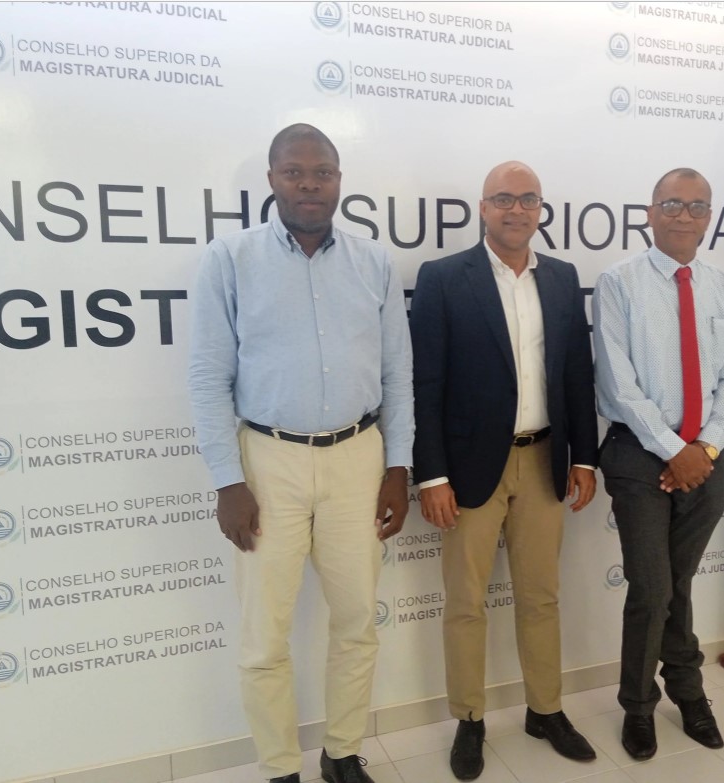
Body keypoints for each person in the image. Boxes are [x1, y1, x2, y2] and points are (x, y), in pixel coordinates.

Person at [188, 124, 413, 783]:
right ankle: (281, 768)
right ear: (272, 180)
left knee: (357, 623)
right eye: (295, 172)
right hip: (267, 463)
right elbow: (207, 377)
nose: (309, 184)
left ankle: (341, 754)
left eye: (322, 172)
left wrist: (397, 467)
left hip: (358, 459)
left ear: (339, 180)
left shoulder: (373, 263)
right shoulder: (230, 259)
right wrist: (228, 480)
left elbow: (397, 374)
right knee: (265, 635)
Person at [410, 161, 600, 781]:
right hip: (468, 468)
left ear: (541, 208)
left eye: (527, 199)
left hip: (544, 461)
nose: (516, 209)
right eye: (503, 199)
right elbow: (424, 383)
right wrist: (431, 475)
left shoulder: (563, 278)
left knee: (541, 596)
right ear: (483, 208)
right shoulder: (443, 278)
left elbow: (577, 375)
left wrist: (584, 456)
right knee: (466, 602)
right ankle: (470, 719)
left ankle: (545, 710)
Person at [592, 168, 724, 760]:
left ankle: (685, 691)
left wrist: (703, 450)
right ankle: (640, 705)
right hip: (640, 455)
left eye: (697, 206)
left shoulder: (720, 287)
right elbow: (617, 381)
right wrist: (672, 450)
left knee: (676, 584)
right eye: (673, 204)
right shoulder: (619, 283)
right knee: (653, 586)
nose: (685, 216)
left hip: (706, 459)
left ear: (709, 218)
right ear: (650, 213)